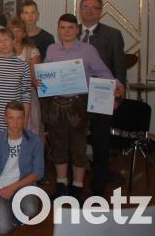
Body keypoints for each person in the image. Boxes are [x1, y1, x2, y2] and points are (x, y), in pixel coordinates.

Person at [44, 13, 123, 201]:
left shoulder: (88, 50)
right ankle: (62, 184)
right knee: (58, 145)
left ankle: (77, 187)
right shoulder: (52, 49)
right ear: (58, 29)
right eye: (62, 27)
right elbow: (46, 74)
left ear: (77, 29)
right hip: (56, 104)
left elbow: (103, 72)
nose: (66, 31)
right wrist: (41, 80)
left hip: (79, 105)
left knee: (78, 146)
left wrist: (117, 85)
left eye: (70, 28)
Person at [78, 0, 127, 198]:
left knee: (100, 142)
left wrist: (118, 95)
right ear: (80, 10)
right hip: (76, 97)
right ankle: (76, 186)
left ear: (100, 12)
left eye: (94, 8)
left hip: (102, 96)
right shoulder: (71, 32)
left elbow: (119, 68)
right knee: (78, 142)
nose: (89, 11)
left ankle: (98, 188)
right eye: (85, 7)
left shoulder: (113, 34)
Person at [0, 102, 44, 235]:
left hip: (22, 185)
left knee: (31, 209)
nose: (15, 123)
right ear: (5, 119)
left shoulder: (34, 140)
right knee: (4, 229)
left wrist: (13, 187)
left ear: (24, 119)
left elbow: (38, 173)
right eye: (11, 118)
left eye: (19, 118)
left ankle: (6, 209)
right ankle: (2, 208)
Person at [8, 18, 43, 137]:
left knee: (29, 131)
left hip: (27, 97)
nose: (14, 33)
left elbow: (34, 79)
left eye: (18, 30)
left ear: (24, 34)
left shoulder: (32, 51)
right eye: (12, 30)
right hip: (7, 96)